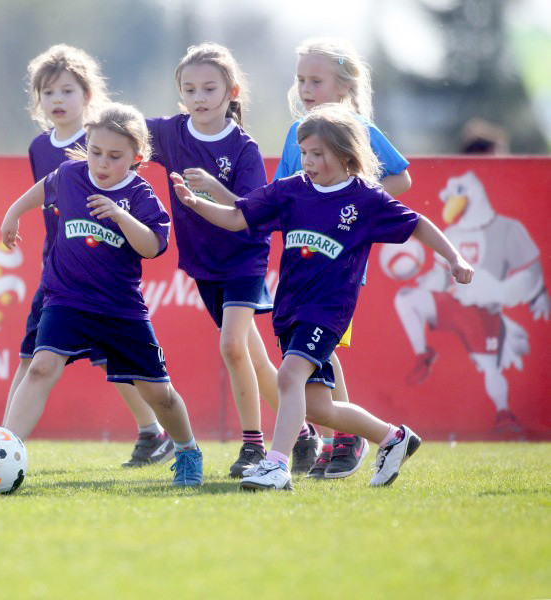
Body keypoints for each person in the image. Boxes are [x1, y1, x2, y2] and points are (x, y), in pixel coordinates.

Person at [172, 103, 474, 491]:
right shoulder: (292, 190)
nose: (309, 161)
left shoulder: (366, 199)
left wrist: (455, 257)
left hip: (328, 311)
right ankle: (393, 438)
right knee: (318, 407)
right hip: (291, 309)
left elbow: (418, 224)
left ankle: (276, 466)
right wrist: (196, 203)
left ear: (346, 154)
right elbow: (236, 217)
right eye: (305, 154)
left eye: (318, 154)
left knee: (289, 376)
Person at [0, 102, 204, 486]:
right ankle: (4, 451)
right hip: (66, 301)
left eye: (114, 156)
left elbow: (151, 246)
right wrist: (13, 213)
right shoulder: (71, 174)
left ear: (136, 158)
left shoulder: (142, 197)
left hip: (121, 311)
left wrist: (121, 215)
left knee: (160, 395)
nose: (102, 163)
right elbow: (43, 189)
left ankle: (188, 450)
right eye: (95, 152)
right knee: (42, 366)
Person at [145, 43, 317, 478]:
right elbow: (123, 132)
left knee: (230, 346)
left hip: (245, 259)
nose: (198, 97)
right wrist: (84, 118)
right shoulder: (169, 133)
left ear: (231, 91)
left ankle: (253, 447)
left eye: (209, 88)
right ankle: (303, 435)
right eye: (189, 89)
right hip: (204, 263)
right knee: (253, 359)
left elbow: (252, 212)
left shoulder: (242, 147)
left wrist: (212, 188)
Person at [9, 44, 175, 468]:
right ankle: (0, 445)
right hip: (59, 275)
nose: (57, 100)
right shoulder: (40, 148)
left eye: (67, 90)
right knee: (34, 358)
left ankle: (154, 431)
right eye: (48, 93)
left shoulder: (102, 139)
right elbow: (47, 197)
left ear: (88, 95)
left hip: (103, 281)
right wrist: (13, 213)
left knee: (115, 363)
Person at [273, 37, 413, 479]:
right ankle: (348, 433)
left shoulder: (359, 130)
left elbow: (401, 179)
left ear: (346, 85)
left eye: (316, 79)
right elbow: (280, 194)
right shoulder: (297, 134)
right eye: (301, 79)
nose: (306, 87)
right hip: (301, 266)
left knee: (318, 347)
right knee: (315, 348)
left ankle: (347, 438)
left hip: (339, 268)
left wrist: (351, 212)